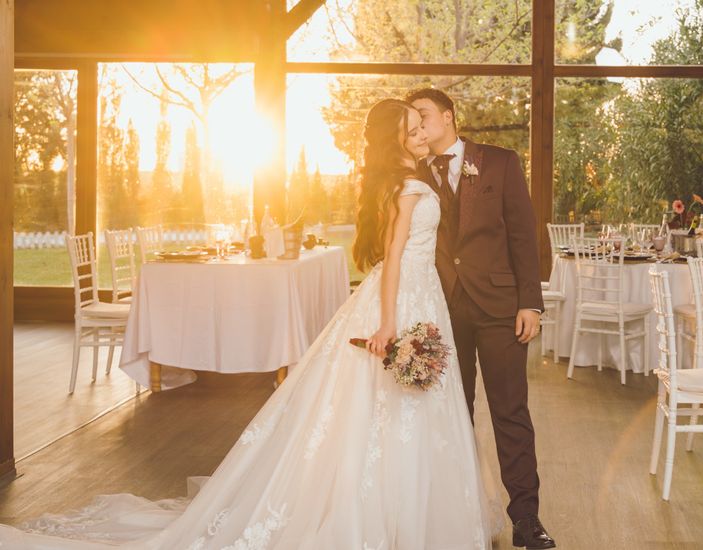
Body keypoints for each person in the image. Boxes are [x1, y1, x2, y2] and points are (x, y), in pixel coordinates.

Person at [0, 99, 500, 549]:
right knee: (390, 406)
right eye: (411, 129)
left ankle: (400, 512)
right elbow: (392, 259)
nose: (418, 135)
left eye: (420, 126)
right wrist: (389, 323)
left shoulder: (401, 183)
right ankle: (396, 518)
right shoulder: (409, 186)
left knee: (396, 406)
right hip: (404, 299)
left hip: (421, 296)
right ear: (395, 139)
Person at [406, 88, 555, 550]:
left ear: (449, 117)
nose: (417, 128)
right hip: (443, 310)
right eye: (411, 122)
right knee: (454, 414)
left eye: (424, 117)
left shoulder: (500, 161)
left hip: (501, 308)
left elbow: (524, 234)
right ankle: (462, 512)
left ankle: (526, 520)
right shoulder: (411, 174)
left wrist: (530, 301)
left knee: (511, 412)